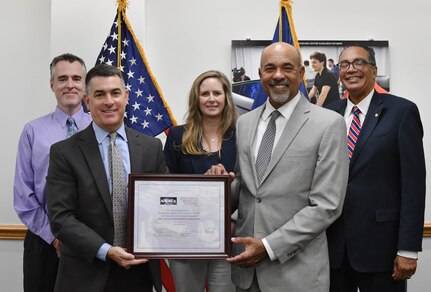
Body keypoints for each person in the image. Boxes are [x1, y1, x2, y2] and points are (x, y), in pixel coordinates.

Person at [207, 42, 349, 291]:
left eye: (287, 67)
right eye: (270, 68)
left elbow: (327, 206)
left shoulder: (328, 124)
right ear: (261, 74)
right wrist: (220, 185)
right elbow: (249, 189)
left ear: (302, 74)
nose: (278, 75)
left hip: (297, 275)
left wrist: (268, 247)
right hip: (246, 274)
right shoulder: (245, 123)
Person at [46, 64, 167, 292]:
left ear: (126, 97)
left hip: (138, 273)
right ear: (87, 101)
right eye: (99, 94)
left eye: (115, 93)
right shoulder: (64, 152)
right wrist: (106, 250)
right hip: (85, 273)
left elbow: (166, 203)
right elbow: (61, 218)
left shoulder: (152, 147)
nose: (109, 101)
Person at [326, 44, 426, 292]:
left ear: (373, 70)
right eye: (344, 65)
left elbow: (413, 186)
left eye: (359, 63)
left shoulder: (402, 112)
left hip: (383, 250)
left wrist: (408, 249)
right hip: (333, 250)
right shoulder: (328, 115)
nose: (351, 70)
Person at [13, 53, 91, 292]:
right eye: (63, 78)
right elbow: (23, 194)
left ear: (85, 85)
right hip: (43, 242)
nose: (70, 84)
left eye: (77, 78)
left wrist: (82, 238)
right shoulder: (32, 131)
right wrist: (54, 235)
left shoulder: (99, 129)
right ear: (52, 85)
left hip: (91, 242)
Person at [164, 70, 238, 292]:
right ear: (196, 99)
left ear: (226, 98)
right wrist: (201, 185)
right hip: (187, 238)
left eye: (217, 93)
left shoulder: (242, 134)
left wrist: (234, 214)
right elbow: (166, 187)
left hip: (229, 238)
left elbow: (252, 187)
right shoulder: (177, 136)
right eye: (205, 93)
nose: (212, 99)